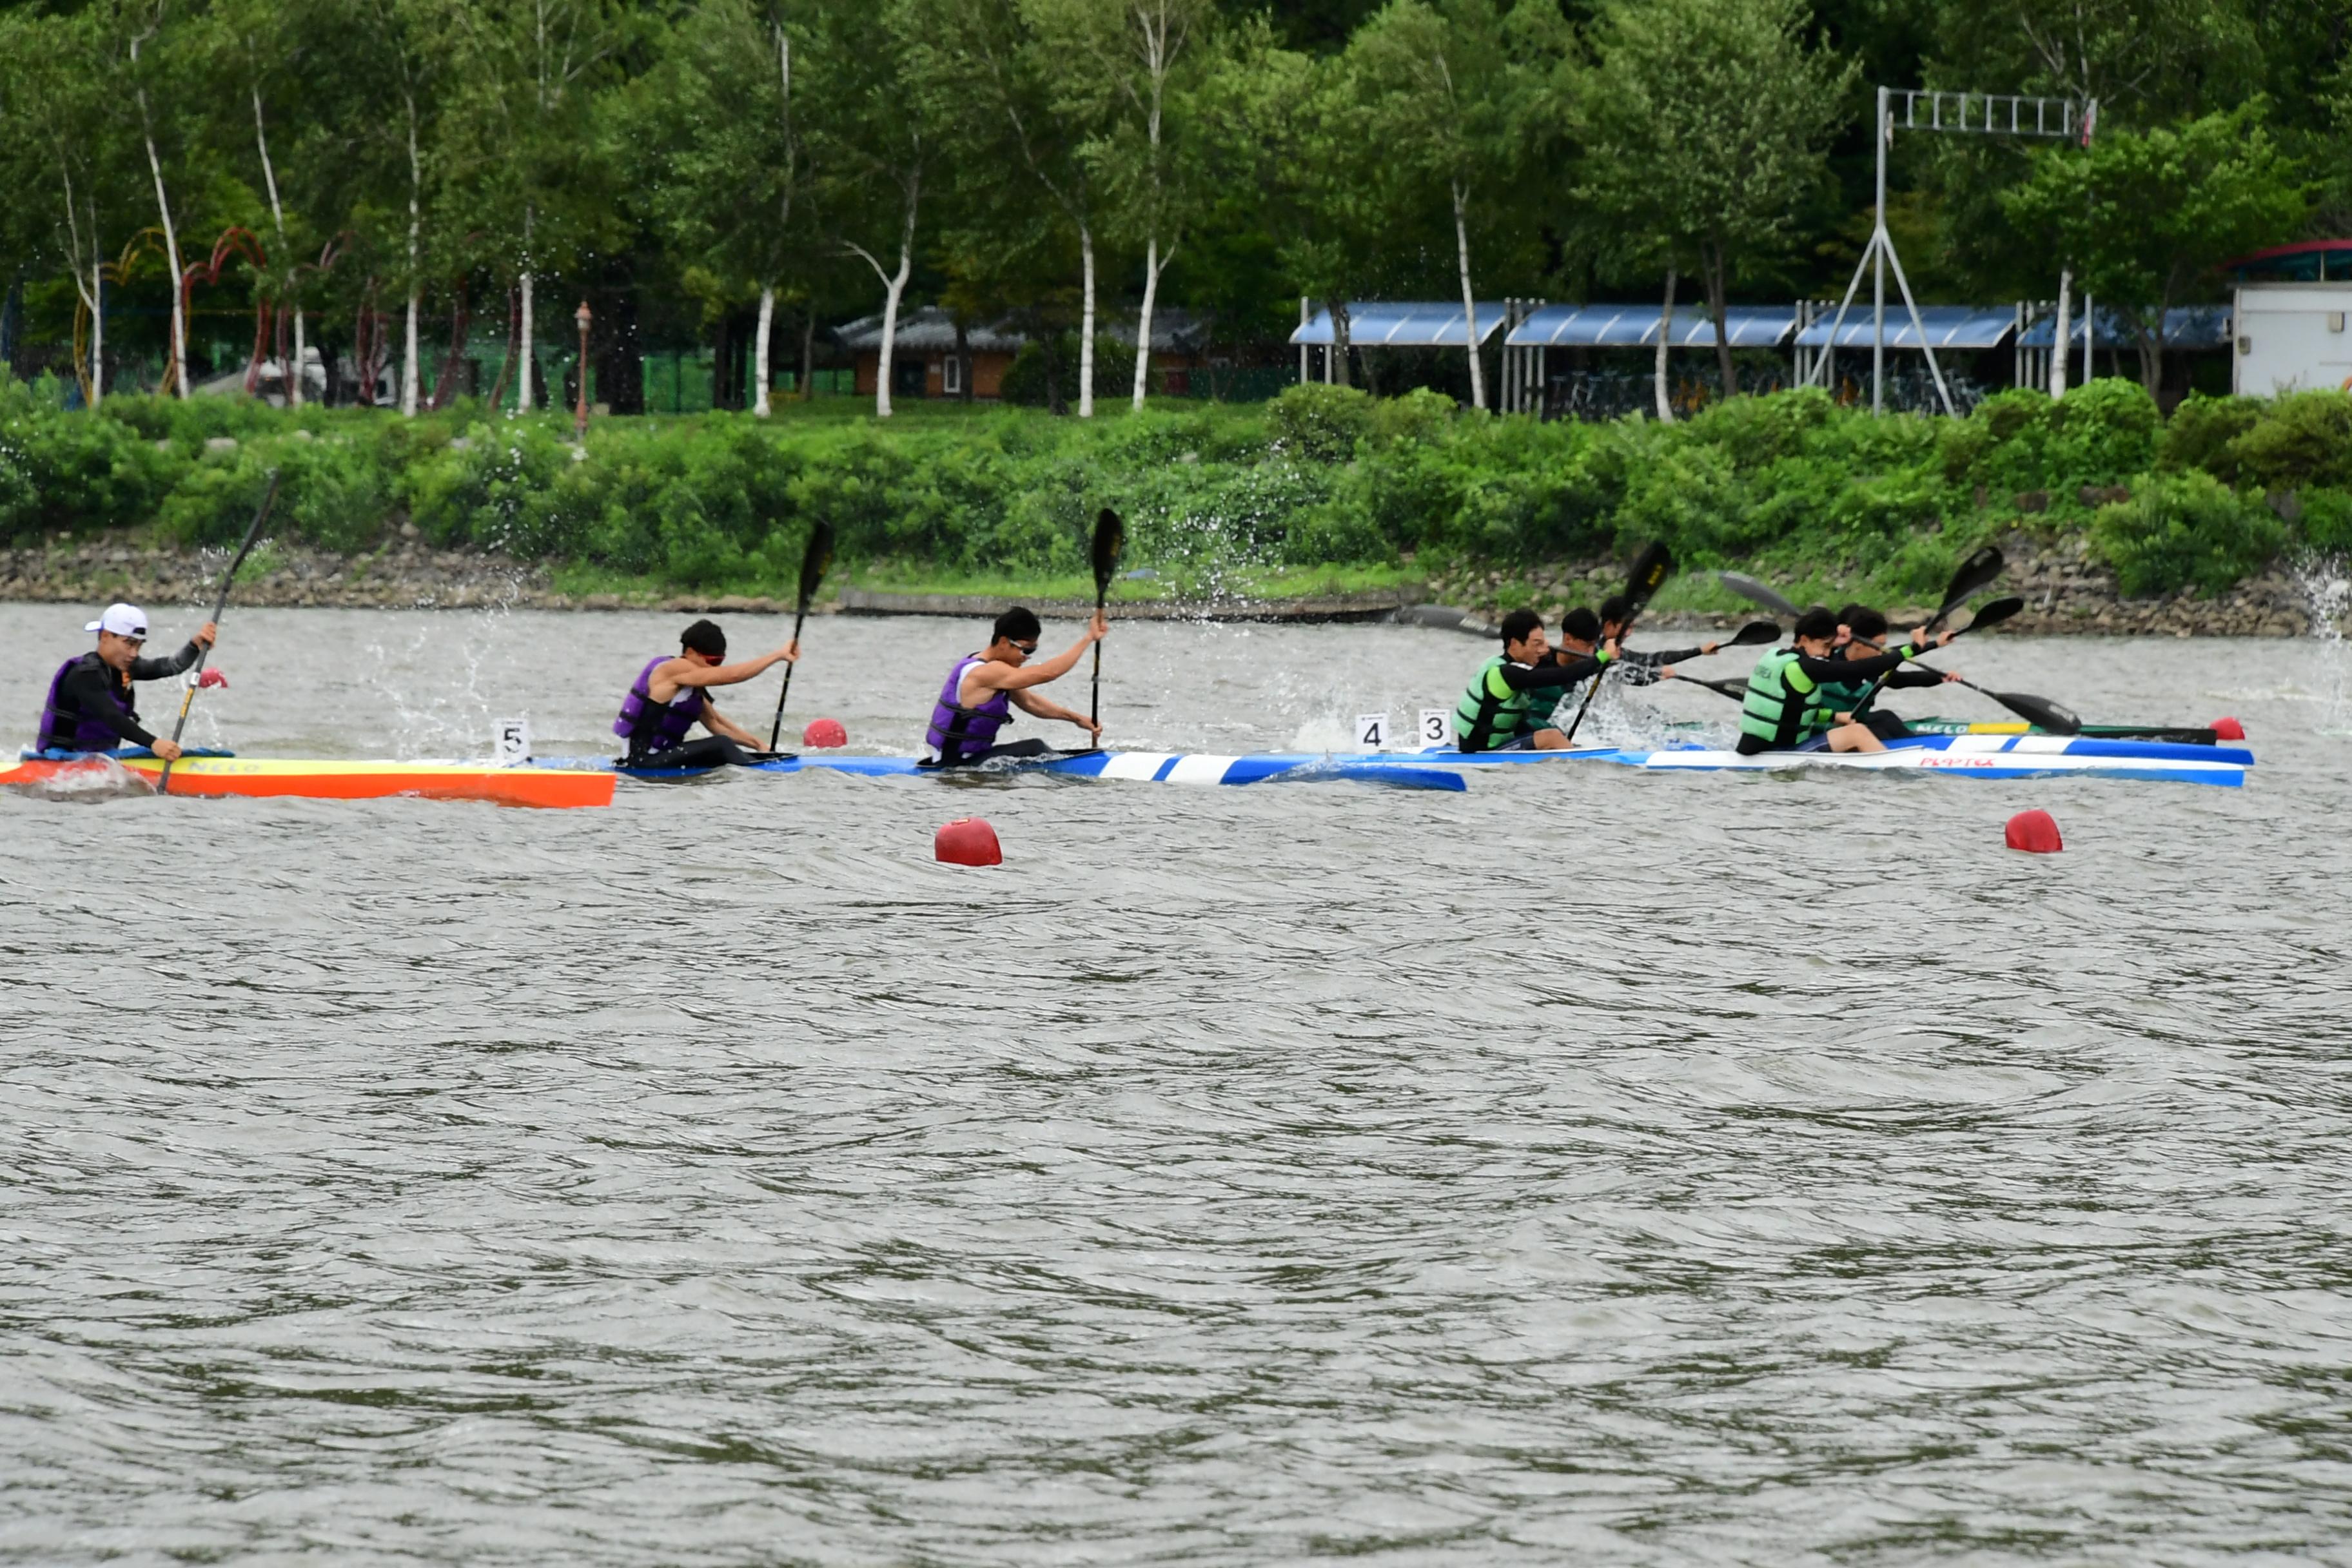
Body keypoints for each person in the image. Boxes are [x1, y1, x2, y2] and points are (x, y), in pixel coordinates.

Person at [1738, 606, 1954, 755]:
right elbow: (1860, 668)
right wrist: (1913, 648)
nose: (1827, 654)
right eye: (1825, 647)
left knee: (1875, 721)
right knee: (1858, 732)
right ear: (1804, 640)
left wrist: (1833, 715)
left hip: (1755, 747)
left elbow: (1793, 710)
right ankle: (1906, 767)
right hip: (1782, 752)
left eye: (1830, 648)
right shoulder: (1807, 667)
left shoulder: (1775, 657)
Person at [922, 605, 1107, 765]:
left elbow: (1031, 703)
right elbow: (1049, 673)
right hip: (955, 763)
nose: (1027, 656)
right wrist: (1088, 638)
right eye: (1026, 649)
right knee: (1035, 747)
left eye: (1033, 650)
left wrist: (1077, 719)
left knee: (1035, 748)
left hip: (965, 758)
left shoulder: (994, 671)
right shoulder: (986, 672)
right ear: (1003, 642)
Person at [36, 603, 217, 761]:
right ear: (106, 636)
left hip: (99, 759)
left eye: (138, 646)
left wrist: (195, 646)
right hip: (61, 761)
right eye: (129, 644)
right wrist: (154, 744)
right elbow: (112, 717)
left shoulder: (125, 666)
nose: (134, 653)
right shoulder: (84, 675)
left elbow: (171, 666)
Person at [613, 618, 798, 769]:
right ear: (691, 652)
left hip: (659, 758)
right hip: (640, 761)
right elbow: (733, 676)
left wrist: (759, 746)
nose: (713, 668)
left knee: (722, 747)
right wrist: (779, 655)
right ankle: (766, 775)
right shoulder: (672, 669)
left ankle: (760, 764)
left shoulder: (691, 687)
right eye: (712, 661)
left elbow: (716, 723)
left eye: (719, 662)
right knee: (721, 745)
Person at [1455, 608, 1616, 752]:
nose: (1543, 648)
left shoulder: (1505, 664)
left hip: (1497, 742)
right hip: (1481, 750)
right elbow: (1563, 675)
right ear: (1515, 644)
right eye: (1536, 644)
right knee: (1552, 737)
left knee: (1556, 733)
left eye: (1544, 642)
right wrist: (1603, 656)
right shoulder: (1506, 673)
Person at [1822, 603, 1959, 743]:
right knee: (1877, 731)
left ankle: (1921, 748)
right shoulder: (1828, 663)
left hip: (1854, 724)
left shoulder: (1875, 665)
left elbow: (1900, 679)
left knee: (1886, 717)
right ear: (1859, 645)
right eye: (1879, 646)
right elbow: (1897, 654)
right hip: (1824, 732)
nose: (1882, 651)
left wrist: (1940, 677)